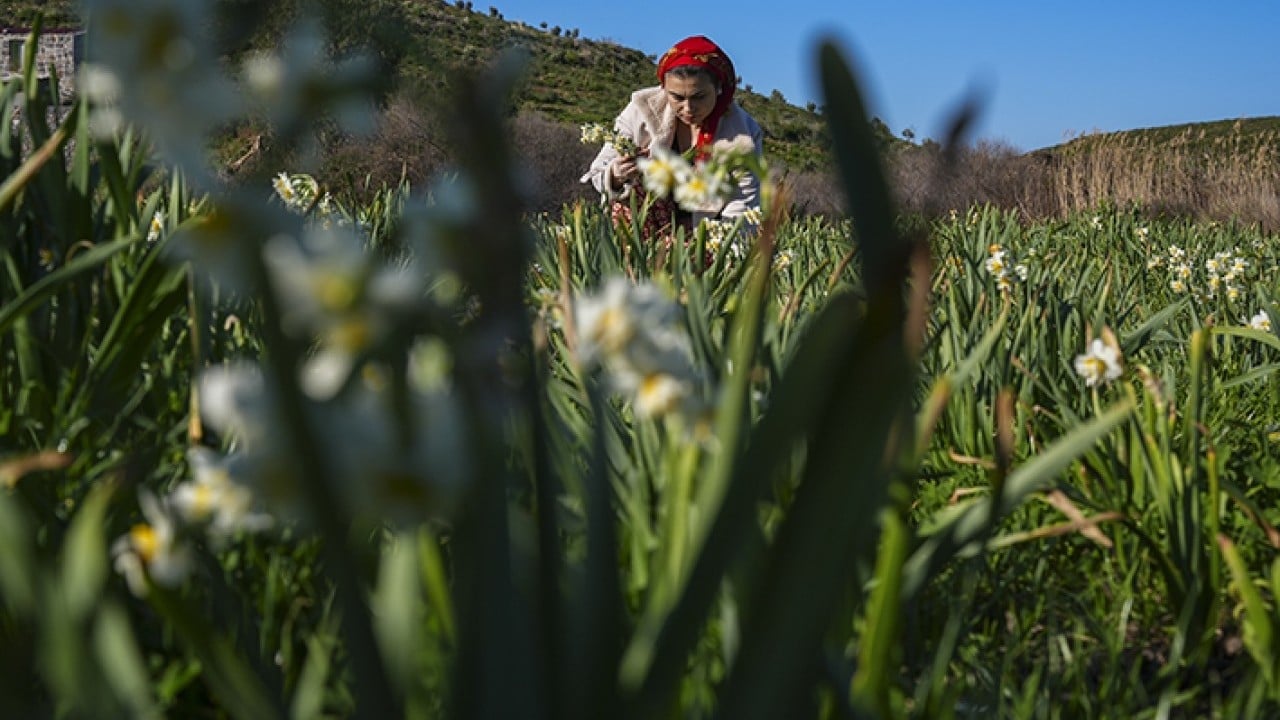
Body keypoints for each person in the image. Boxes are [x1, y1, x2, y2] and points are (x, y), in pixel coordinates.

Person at [581, 35, 764, 239]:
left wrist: (720, 244)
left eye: (699, 97)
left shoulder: (743, 134)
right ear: (664, 89)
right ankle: (632, 253)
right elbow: (598, 174)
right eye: (677, 97)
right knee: (638, 181)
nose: (688, 108)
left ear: (718, 89)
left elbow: (743, 202)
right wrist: (616, 175)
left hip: (706, 231)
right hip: (643, 224)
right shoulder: (641, 110)